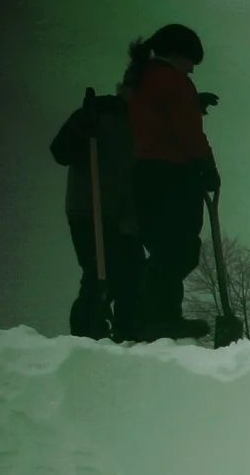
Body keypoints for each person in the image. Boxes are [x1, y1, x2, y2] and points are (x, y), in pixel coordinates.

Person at [123, 23, 219, 341]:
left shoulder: (142, 79)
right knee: (179, 249)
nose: (192, 69)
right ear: (178, 55)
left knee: (165, 248)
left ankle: (147, 317)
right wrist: (207, 165)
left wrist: (194, 106)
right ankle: (159, 319)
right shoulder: (173, 82)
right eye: (191, 61)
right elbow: (186, 131)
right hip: (172, 174)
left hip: (146, 174)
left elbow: (161, 119)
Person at [47, 85, 142, 339]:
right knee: (100, 270)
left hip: (124, 214)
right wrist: (81, 127)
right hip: (89, 209)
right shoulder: (99, 112)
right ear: (126, 88)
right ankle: (86, 333)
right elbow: (61, 151)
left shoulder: (145, 122)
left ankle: (129, 334)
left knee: (134, 273)